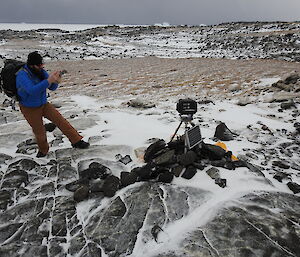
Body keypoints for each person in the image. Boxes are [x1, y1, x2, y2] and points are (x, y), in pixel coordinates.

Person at [16, 51, 89, 157]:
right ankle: (43, 152)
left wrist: (56, 81)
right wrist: (49, 80)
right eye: (39, 65)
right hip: (29, 107)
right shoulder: (22, 75)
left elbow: (52, 87)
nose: (41, 67)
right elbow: (32, 91)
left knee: (61, 121)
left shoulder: (40, 71)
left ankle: (77, 141)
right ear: (31, 65)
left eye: (42, 65)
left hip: (43, 104)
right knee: (40, 132)